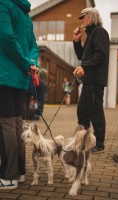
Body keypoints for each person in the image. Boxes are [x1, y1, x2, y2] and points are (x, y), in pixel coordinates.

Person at [0, 0, 40, 189]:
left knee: (7, 125)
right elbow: (33, 44)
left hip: (4, 75)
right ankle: (20, 172)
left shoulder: (3, 5)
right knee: (16, 124)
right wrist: (31, 63)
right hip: (19, 78)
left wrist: (26, 63)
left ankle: (8, 177)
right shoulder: (25, 14)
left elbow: (6, 38)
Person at [73, 7, 110, 153]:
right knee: (82, 111)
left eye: (83, 17)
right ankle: (84, 140)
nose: (81, 20)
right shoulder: (90, 35)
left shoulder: (99, 32)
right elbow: (82, 56)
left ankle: (99, 143)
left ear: (91, 17)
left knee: (95, 111)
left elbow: (100, 55)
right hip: (88, 80)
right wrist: (77, 41)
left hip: (95, 80)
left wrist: (85, 67)